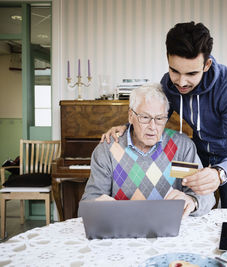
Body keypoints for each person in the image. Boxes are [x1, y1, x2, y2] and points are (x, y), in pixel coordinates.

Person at [101, 22, 227, 208]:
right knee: (194, 212)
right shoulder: (168, 84)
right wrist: (128, 126)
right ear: (168, 59)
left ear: (207, 65)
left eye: (191, 73)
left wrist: (219, 173)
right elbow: (155, 116)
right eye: (175, 71)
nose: (181, 82)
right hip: (197, 155)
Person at [81, 83, 215, 217]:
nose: (153, 127)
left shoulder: (180, 148)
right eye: (145, 117)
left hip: (169, 229)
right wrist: (96, 205)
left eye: (159, 118)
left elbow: (205, 197)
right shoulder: (109, 149)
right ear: (130, 116)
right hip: (122, 229)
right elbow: (87, 204)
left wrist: (192, 201)